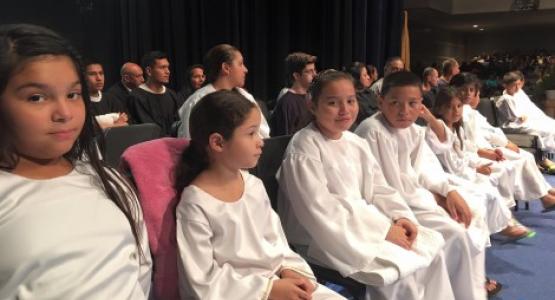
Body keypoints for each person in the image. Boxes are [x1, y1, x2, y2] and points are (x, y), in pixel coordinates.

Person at [0, 24, 151, 298]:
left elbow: (139, 270)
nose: (64, 112)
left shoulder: (108, 181)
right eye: (36, 97)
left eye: (73, 94)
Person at [278, 70, 455, 300]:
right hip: (321, 235)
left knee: (431, 252)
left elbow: (379, 188)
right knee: (402, 271)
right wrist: (382, 231)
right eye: (333, 103)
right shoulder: (305, 148)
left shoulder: (355, 142)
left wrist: (400, 216)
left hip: (361, 224)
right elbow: (319, 210)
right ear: (312, 106)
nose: (345, 110)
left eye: (350, 101)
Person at [174, 90, 344, 299]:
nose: (261, 140)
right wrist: (268, 290)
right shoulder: (196, 203)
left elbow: (276, 242)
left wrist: (289, 270)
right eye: (251, 133)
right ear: (218, 143)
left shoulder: (253, 184)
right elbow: (201, 281)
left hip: (277, 281)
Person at [356, 71, 495, 299]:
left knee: (467, 223)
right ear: (380, 101)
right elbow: (382, 188)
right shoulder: (372, 131)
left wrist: (447, 192)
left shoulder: (412, 130)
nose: (404, 111)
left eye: (412, 104)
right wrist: (435, 200)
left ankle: (471, 288)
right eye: (395, 103)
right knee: (453, 235)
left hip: (415, 200)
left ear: (421, 105)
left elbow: (424, 169)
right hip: (392, 211)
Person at [425, 87, 530, 239]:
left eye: (459, 106)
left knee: (499, 175)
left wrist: (477, 166)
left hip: (464, 170)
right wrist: (475, 170)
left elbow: (463, 155)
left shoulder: (456, 128)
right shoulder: (435, 131)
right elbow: (452, 164)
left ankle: (506, 220)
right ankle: (504, 225)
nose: (456, 111)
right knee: (488, 190)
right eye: (449, 107)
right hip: (450, 175)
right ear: (440, 109)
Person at [451, 72, 555, 213]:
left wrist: (505, 142)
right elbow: (465, 141)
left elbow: (489, 130)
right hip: (477, 152)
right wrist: (495, 148)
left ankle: (546, 193)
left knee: (526, 157)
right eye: (463, 89)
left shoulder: (469, 111)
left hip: (487, 147)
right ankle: (544, 197)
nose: (468, 94)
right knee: (513, 163)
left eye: (471, 90)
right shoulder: (457, 111)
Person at [177, 44, 270, 139]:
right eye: (240, 64)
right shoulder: (197, 101)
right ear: (226, 68)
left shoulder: (246, 97)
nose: (245, 70)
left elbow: (263, 134)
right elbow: (189, 141)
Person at [496, 71, 555, 159]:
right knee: (545, 130)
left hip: (525, 120)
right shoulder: (505, 99)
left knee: (552, 124)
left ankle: (549, 154)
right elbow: (513, 118)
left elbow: (529, 108)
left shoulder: (519, 93)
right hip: (512, 125)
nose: (517, 88)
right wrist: (520, 117)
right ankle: (546, 156)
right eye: (513, 85)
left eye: (518, 84)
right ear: (505, 85)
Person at [127, 51, 180, 136]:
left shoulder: (172, 95)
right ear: (149, 71)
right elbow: (146, 130)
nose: (168, 71)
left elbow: (178, 124)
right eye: (162, 67)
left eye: (167, 67)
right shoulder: (136, 97)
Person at [269, 52, 316, 136]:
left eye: (314, 70)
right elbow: (283, 139)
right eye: (309, 71)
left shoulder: (313, 98)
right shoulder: (287, 103)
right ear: (296, 76)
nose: (314, 74)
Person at [84, 60, 129, 129]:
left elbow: (125, 124)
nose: (99, 78)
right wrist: (114, 125)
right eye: (92, 74)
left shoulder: (111, 99)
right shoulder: (80, 103)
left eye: (101, 73)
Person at [345, 62, 379, 128]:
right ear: (356, 78)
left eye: (367, 74)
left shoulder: (369, 92)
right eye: (365, 75)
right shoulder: (352, 96)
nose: (369, 77)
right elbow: (368, 115)